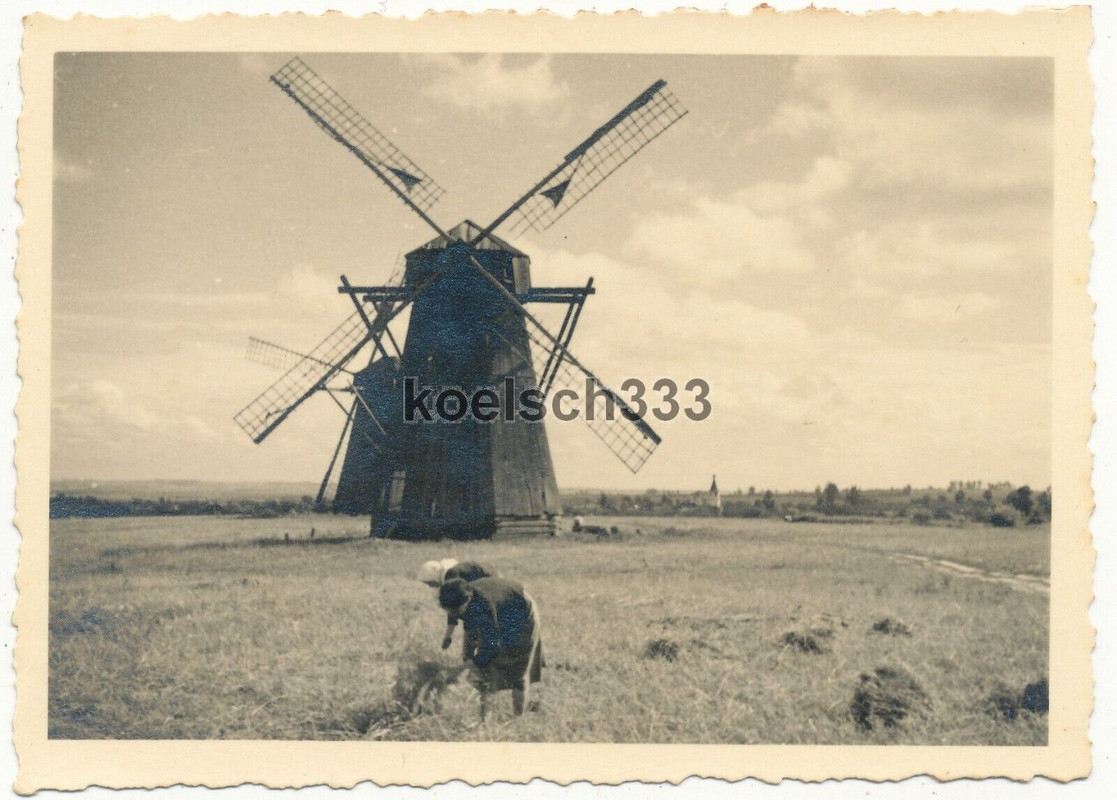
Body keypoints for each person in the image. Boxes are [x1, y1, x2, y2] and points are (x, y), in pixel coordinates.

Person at [438, 576, 543, 718]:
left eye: (456, 611)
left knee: (518, 671)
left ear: (467, 600)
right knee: (481, 672)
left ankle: (518, 719)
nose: (453, 615)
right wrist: (467, 659)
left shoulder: (483, 607)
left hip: (521, 611)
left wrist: (458, 669)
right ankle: (483, 718)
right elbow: (469, 631)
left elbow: (490, 650)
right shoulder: (459, 596)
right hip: (499, 605)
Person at [415, 559, 499, 650]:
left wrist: (448, 636)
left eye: (429, 583)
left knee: (474, 627)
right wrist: (448, 636)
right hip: (488, 585)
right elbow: (453, 610)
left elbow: (454, 608)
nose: (430, 586)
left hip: (490, 587)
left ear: (433, 577)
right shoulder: (450, 574)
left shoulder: (451, 576)